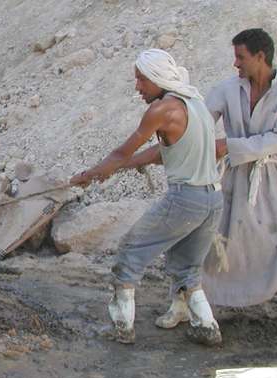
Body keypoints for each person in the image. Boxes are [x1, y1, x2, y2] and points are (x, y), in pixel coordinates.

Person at [71, 49, 223, 346]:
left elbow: (121, 152)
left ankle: (122, 327)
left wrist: (91, 174)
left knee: (130, 251)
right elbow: (160, 153)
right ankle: (207, 326)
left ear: (157, 78)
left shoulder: (161, 110)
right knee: (187, 269)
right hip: (212, 200)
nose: (138, 86)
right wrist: (119, 168)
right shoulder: (195, 103)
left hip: (185, 199)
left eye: (141, 79)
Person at [184, 28, 277, 329]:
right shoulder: (226, 89)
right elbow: (204, 123)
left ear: (260, 56)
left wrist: (229, 146)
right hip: (232, 175)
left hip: (269, 174)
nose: (236, 63)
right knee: (211, 235)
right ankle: (186, 299)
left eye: (240, 56)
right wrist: (181, 129)